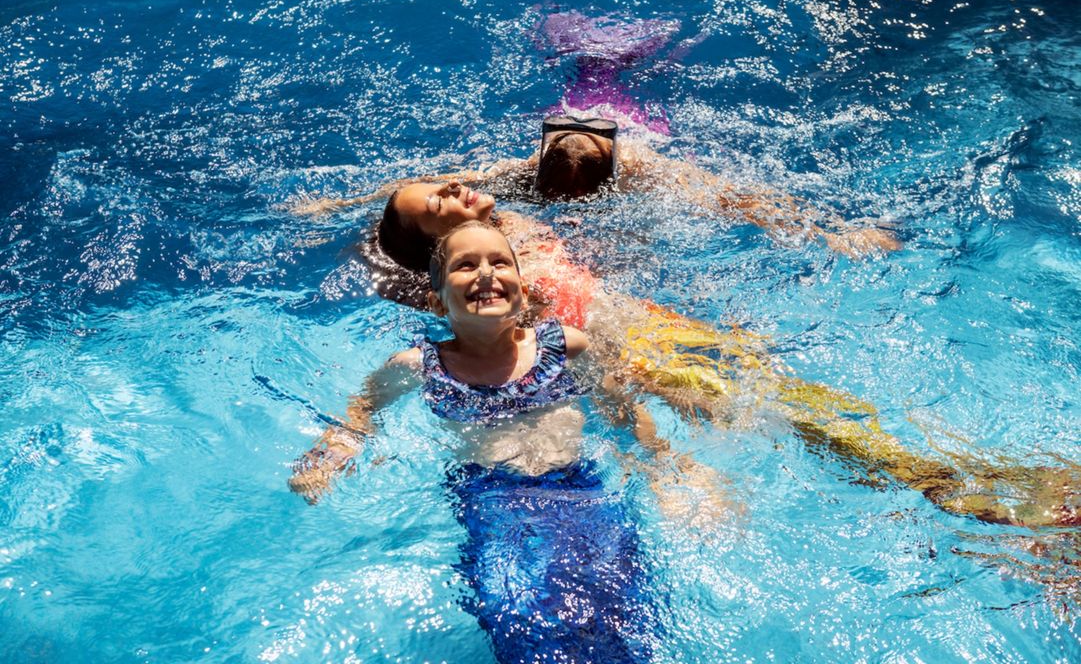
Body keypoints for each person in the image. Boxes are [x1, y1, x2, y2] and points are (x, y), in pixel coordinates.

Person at [294, 181, 1078, 529]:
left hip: (663, 333)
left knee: (814, 409)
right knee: (809, 419)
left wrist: (335, 205)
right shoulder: (494, 286)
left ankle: (987, 488)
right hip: (649, 354)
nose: (463, 188)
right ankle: (983, 503)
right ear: (442, 263)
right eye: (442, 204)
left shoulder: (506, 234)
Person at [292, 221, 681, 663]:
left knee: (624, 609)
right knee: (516, 614)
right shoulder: (421, 366)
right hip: (492, 499)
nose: (484, 273)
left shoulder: (567, 347)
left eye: (499, 261)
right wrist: (332, 453)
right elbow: (363, 409)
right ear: (437, 302)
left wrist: (666, 467)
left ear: (524, 290)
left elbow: (623, 411)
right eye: (465, 265)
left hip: (582, 490)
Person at [293, 115, 903, 258]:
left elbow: (736, 199)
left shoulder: (642, 167)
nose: (453, 184)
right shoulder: (505, 186)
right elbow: (739, 201)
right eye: (441, 198)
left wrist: (832, 231)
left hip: (634, 132)